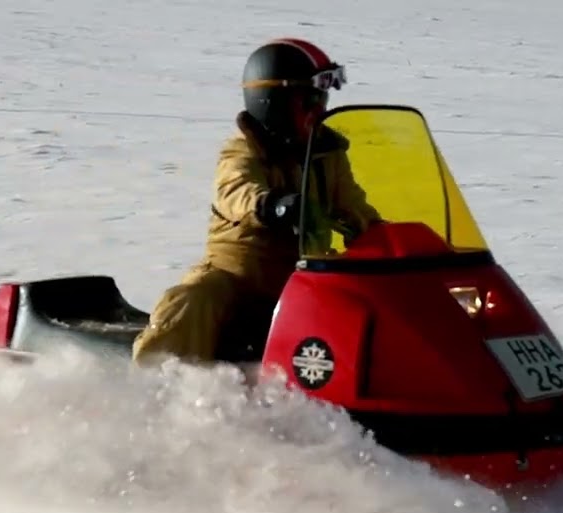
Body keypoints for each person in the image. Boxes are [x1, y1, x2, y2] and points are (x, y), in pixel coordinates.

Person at [132, 38, 381, 366]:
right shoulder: (243, 150)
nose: (320, 111)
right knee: (193, 299)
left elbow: (352, 205)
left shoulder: (326, 154)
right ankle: (154, 378)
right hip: (238, 278)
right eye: (309, 101)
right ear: (274, 104)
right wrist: (270, 205)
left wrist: (387, 236)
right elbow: (235, 189)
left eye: (322, 100)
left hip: (304, 278)